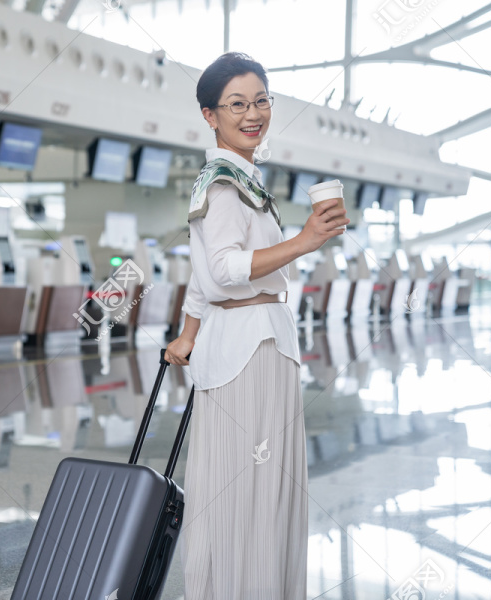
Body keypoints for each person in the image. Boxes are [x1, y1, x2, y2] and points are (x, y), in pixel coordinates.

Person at [164, 52, 349, 600]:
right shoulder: (223, 185)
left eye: (261, 100)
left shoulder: (241, 181)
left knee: (249, 485)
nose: (253, 113)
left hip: (252, 342)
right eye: (237, 104)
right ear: (209, 115)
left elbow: (201, 279)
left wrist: (189, 335)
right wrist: (305, 241)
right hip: (251, 348)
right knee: (251, 487)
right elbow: (223, 271)